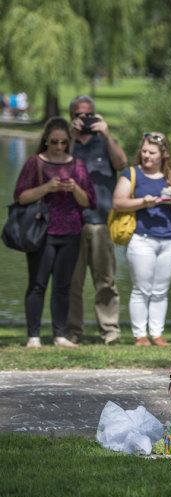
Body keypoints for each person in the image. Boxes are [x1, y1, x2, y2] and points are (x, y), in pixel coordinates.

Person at [14, 117, 96, 348]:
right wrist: (47, 188)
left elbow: (89, 201)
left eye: (63, 142)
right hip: (43, 232)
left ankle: (60, 335)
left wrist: (74, 188)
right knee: (38, 284)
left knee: (62, 286)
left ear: (69, 142)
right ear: (46, 141)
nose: (59, 147)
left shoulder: (78, 165)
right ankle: (34, 337)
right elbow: (21, 196)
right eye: (54, 142)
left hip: (71, 231)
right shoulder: (35, 163)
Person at [112, 132, 171, 346]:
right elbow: (118, 203)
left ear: (163, 154)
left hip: (168, 241)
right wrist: (142, 203)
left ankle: (157, 334)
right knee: (141, 288)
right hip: (141, 239)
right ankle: (140, 335)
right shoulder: (132, 174)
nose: (146, 155)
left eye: (152, 152)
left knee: (160, 291)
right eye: (144, 151)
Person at [66, 95, 127, 345]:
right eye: (79, 115)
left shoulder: (104, 142)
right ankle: (72, 332)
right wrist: (70, 137)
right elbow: (58, 164)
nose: (84, 119)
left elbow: (122, 163)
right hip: (71, 223)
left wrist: (107, 134)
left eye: (88, 114)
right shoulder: (66, 142)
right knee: (72, 283)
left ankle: (110, 331)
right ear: (72, 117)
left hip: (102, 221)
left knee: (106, 282)